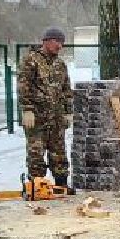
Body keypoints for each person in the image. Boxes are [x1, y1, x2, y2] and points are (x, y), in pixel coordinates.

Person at [18, 28, 72, 187]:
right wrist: (27, 109)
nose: (60, 46)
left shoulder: (60, 64)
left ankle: (61, 186)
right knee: (36, 155)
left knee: (59, 154)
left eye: (62, 43)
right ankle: (37, 187)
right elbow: (24, 86)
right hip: (37, 118)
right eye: (57, 41)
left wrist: (68, 111)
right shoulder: (31, 60)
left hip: (56, 119)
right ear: (46, 41)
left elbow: (66, 89)